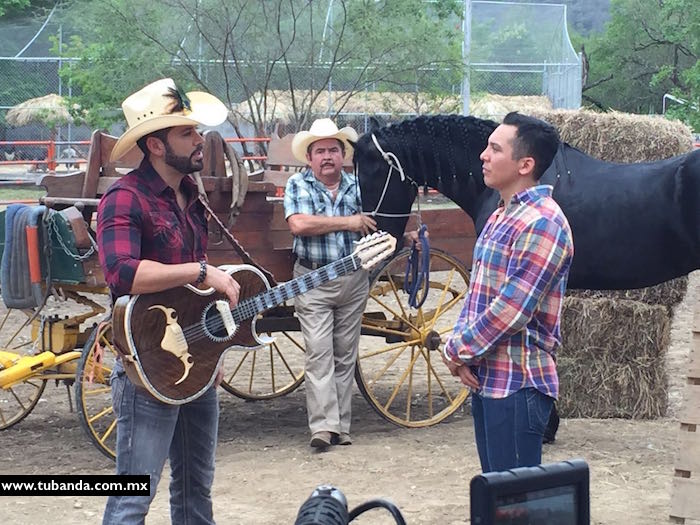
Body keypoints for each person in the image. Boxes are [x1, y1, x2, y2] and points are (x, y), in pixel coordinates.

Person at [97, 78, 240, 524]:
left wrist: (210, 351)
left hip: (194, 362)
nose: (200, 141)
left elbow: (192, 296)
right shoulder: (123, 198)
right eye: (187, 133)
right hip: (146, 367)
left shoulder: (190, 194)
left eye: (196, 131)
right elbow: (122, 273)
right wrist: (200, 270)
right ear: (156, 146)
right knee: (133, 498)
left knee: (196, 491)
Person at [442, 112, 573, 473]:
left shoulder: (543, 222)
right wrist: (464, 354)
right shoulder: (501, 216)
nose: (483, 155)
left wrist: (456, 350)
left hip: (519, 384)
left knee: (514, 505)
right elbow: (478, 296)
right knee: (496, 497)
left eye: (495, 149)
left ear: (525, 164)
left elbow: (513, 309)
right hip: (489, 379)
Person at [284, 118, 377, 449]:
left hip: (353, 279)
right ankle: (323, 427)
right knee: (319, 353)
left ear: (343, 155)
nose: (327, 157)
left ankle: (342, 426)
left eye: (333, 150)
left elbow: (375, 224)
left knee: (344, 353)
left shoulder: (359, 186)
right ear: (309, 158)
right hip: (313, 279)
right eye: (320, 151)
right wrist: (349, 222)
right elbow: (299, 224)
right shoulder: (299, 184)